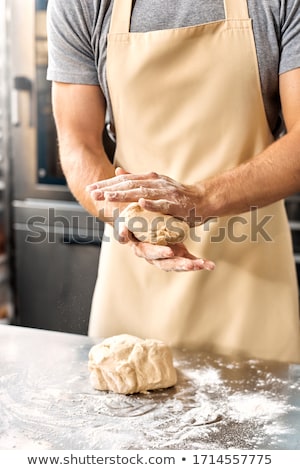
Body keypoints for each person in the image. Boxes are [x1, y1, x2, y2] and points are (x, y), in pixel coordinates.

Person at [47, 0, 300, 363]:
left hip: (252, 282)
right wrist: (129, 219)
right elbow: (78, 142)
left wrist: (201, 198)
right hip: (136, 273)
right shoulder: (81, 4)